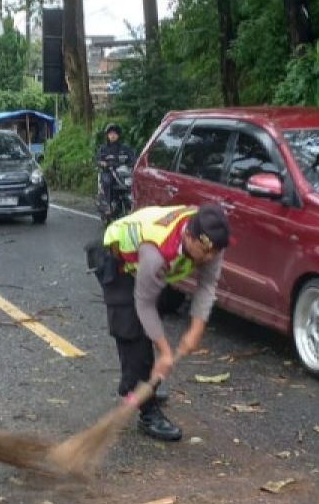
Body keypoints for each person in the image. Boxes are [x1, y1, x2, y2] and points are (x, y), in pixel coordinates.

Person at [88, 204, 231, 441]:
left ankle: (138, 387)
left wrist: (196, 328)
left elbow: (207, 286)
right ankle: (146, 408)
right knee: (133, 334)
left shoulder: (211, 240)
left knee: (157, 315)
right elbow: (143, 304)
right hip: (117, 261)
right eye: (204, 252)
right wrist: (165, 352)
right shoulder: (155, 253)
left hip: (148, 269)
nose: (209, 258)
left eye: (214, 253)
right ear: (188, 236)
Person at [95, 123, 136, 212]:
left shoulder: (125, 148)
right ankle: (108, 205)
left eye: (114, 133)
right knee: (108, 181)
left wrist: (134, 164)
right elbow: (98, 160)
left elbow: (133, 158)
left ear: (118, 135)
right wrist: (102, 163)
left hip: (123, 173)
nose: (112, 136)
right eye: (110, 134)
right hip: (108, 172)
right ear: (107, 135)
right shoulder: (103, 149)